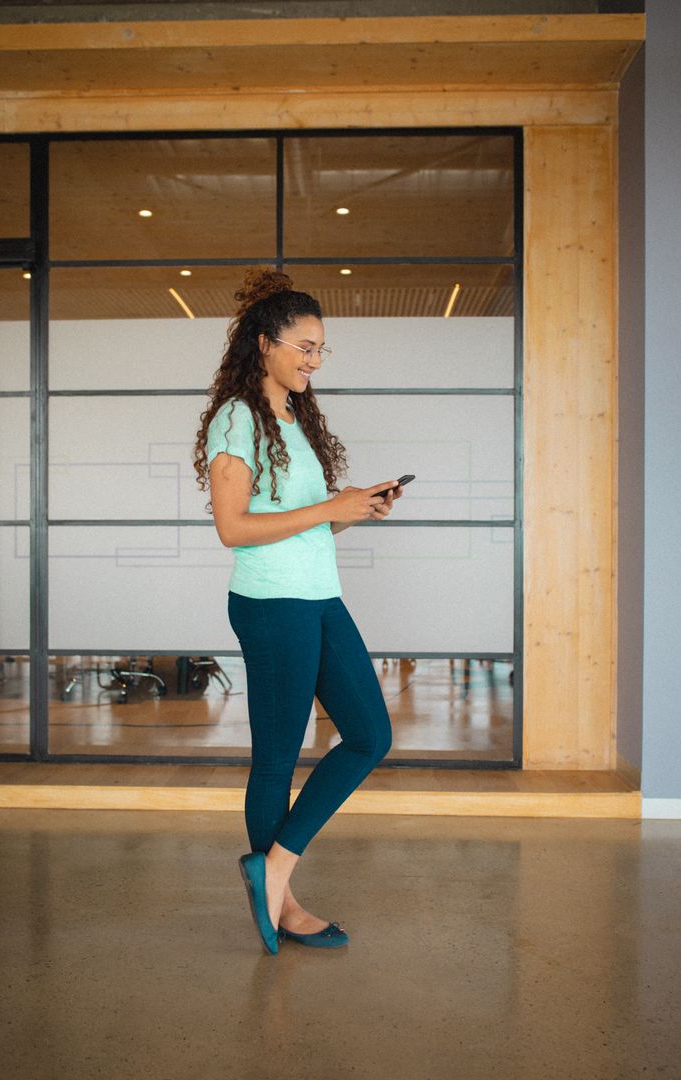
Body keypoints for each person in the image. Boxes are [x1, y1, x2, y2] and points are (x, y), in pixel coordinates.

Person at [193, 267, 402, 954]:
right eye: (304, 347)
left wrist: (353, 512)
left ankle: (273, 870)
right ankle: (280, 903)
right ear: (264, 344)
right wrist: (330, 507)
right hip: (271, 603)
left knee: (370, 735)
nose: (315, 360)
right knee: (278, 758)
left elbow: (300, 522)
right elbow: (233, 527)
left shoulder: (295, 417)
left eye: (321, 349)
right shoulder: (238, 417)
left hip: (318, 596)